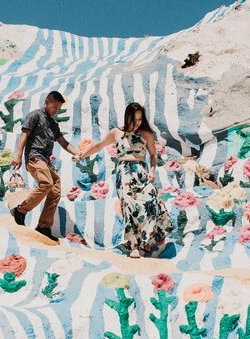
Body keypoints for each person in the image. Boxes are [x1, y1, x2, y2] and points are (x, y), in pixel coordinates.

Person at [74, 102, 172, 258]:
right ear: (127, 117)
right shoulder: (116, 132)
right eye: (134, 119)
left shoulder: (146, 134)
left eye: (140, 119)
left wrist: (152, 171)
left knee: (151, 200)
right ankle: (133, 246)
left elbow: (153, 155)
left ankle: (150, 239)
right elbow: (99, 146)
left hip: (141, 172)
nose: (137, 123)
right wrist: (81, 155)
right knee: (129, 207)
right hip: (123, 172)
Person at [12, 91, 80, 240]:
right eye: (54, 106)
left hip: (46, 161)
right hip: (34, 157)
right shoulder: (35, 115)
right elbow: (24, 135)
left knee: (55, 190)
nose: (56, 110)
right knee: (46, 183)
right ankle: (20, 210)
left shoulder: (53, 124)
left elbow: (63, 142)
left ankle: (43, 226)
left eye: (58, 108)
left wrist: (77, 152)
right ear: (47, 102)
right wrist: (18, 155)